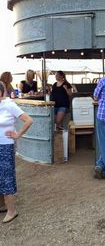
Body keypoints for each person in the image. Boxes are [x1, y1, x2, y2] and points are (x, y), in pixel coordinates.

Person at [0, 81, 33, 223]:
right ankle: (2, 205)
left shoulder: (9, 105)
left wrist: (17, 134)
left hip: (5, 146)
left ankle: (12, 211)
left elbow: (28, 120)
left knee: (7, 177)